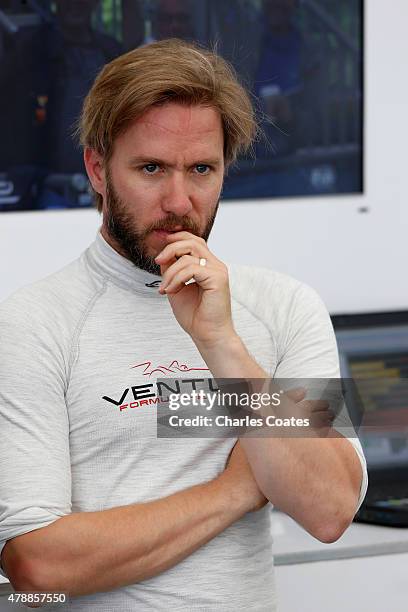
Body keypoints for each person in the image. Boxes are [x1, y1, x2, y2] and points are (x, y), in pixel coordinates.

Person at [0, 39, 367, 611]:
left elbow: (330, 509)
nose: (179, 201)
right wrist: (237, 489)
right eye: (151, 168)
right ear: (97, 169)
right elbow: (37, 564)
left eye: (201, 169)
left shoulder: (285, 306)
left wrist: (220, 343)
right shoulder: (31, 323)